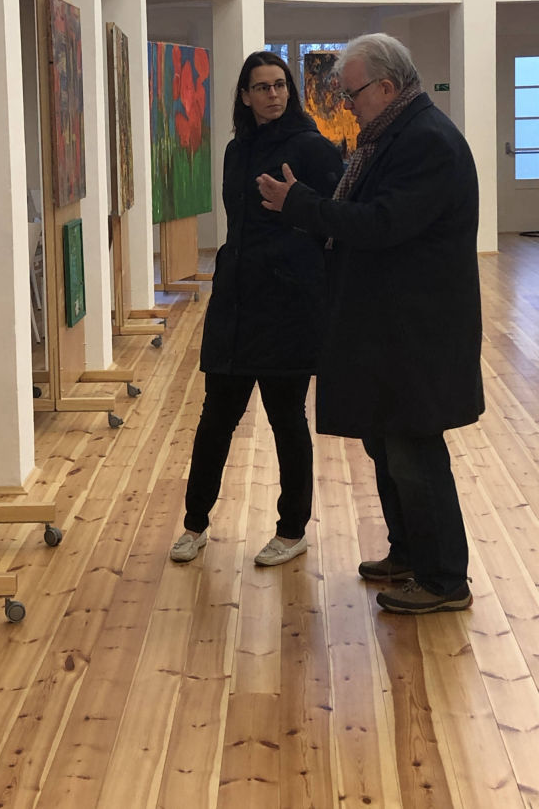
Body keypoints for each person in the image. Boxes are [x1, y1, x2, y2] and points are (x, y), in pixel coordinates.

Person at [257, 33, 484, 614]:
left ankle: (443, 580)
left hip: (416, 330)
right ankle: (408, 554)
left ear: (385, 87)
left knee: (413, 449)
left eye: (351, 93)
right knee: (388, 441)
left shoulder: (426, 141)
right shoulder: (395, 136)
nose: (346, 104)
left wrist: (301, 204)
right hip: (391, 326)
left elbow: (382, 224)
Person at [170, 51, 344, 566]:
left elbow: (337, 221)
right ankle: (194, 525)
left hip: (288, 303)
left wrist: (298, 212)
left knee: (286, 419)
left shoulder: (312, 148)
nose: (273, 94)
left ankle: (292, 530)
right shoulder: (235, 150)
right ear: (245, 96)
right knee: (215, 419)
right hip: (237, 300)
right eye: (262, 87)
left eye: (280, 85)